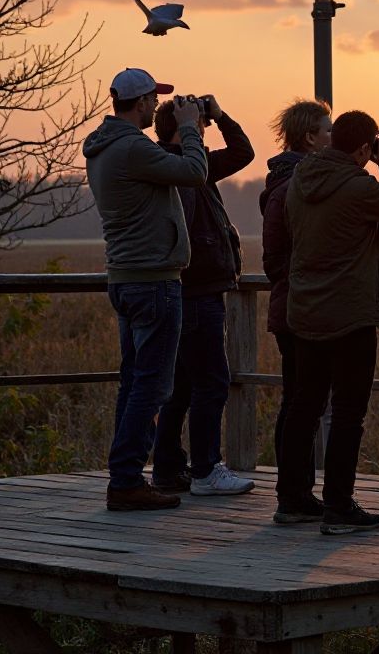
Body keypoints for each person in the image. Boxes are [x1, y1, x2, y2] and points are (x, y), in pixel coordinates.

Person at [275, 110, 379, 533]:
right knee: (347, 414)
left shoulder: (300, 182)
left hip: (306, 311)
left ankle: (293, 500)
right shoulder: (357, 186)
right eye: (370, 147)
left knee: (304, 407)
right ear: (362, 148)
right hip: (350, 314)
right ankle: (339, 506)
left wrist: (371, 156)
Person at [83, 69, 207, 511]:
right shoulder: (133, 148)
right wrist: (190, 127)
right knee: (152, 387)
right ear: (138, 104)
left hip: (126, 278)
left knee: (134, 383)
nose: (158, 107)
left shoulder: (104, 147)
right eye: (154, 100)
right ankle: (127, 481)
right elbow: (194, 171)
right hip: (153, 280)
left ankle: (125, 476)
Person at [150, 93, 256, 497]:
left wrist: (221, 114)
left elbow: (243, 153)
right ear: (183, 128)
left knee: (179, 386)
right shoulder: (181, 171)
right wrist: (194, 125)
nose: (205, 133)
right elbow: (187, 234)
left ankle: (166, 469)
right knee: (212, 382)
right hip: (197, 292)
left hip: (189, 293)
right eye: (199, 126)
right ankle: (206, 470)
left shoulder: (190, 166)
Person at [259, 98, 332, 512]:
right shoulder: (292, 188)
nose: (332, 137)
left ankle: (296, 492)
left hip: (295, 304)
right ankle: (294, 494)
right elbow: (275, 258)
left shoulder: (290, 182)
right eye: (327, 131)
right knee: (302, 402)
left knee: (299, 400)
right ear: (309, 137)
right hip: (299, 309)